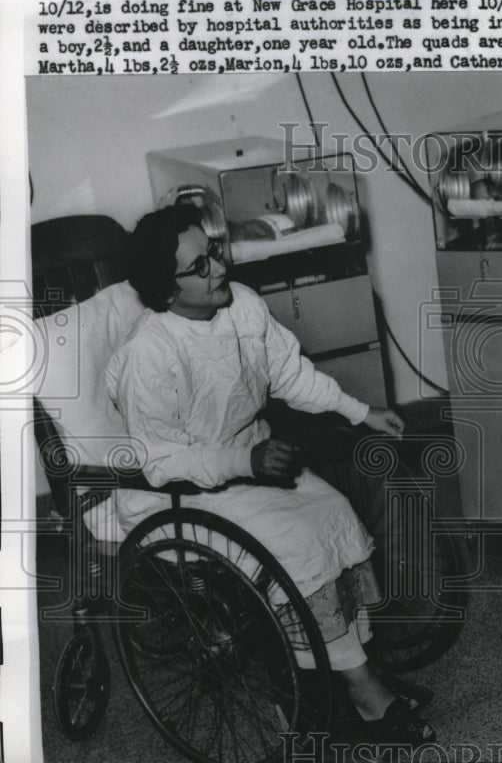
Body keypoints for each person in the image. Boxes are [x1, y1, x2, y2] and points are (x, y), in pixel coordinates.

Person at [106, 203, 434, 744]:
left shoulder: (243, 308)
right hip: (181, 496)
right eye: (200, 267)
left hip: (250, 466)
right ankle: (364, 692)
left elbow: (289, 374)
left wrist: (361, 411)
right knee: (301, 545)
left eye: (212, 253)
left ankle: (342, 672)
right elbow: (161, 461)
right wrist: (245, 462)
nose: (219, 269)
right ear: (167, 292)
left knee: (335, 512)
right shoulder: (150, 354)